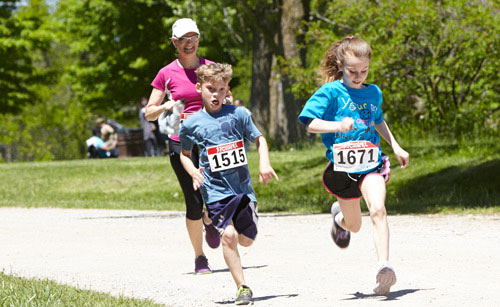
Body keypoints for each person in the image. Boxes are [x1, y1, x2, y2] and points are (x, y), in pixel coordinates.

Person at [298, 35, 410, 295]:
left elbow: (378, 120)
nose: (358, 76)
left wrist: (395, 145)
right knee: (355, 225)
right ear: (340, 65)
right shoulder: (330, 92)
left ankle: (384, 267)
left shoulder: (373, 92)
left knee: (378, 210)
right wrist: (337, 125)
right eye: (352, 71)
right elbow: (309, 122)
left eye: (364, 71)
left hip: (371, 163)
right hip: (342, 169)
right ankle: (339, 217)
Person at [179, 63, 279, 305]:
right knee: (231, 237)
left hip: (243, 189)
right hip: (214, 190)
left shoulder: (239, 115)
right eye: (211, 89)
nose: (216, 94)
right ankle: (242, 287)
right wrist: (193, 172)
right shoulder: (192, 123)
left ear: (227, 90)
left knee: (246, 239)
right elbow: (184, 154)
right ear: (199, 87)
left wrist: (264, 163)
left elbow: (259, 139)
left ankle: (209, 222)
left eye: (221, 89)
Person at [144, 18, 220, 274]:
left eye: (193, 38)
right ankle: (200, 257)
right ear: (174, 42)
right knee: (193, 201)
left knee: (215, 195)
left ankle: (210, 219)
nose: (189, 44)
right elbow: (149, 113)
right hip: (180, 143)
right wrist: (165, 106)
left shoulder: (211, 67)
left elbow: (223, 96)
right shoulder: (166, 73)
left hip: (210, 141)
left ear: (198, 39)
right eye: (183, 39)